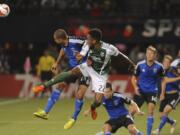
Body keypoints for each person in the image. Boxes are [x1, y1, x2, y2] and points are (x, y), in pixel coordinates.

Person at [33, 28, 135, 129]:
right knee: (70, 74)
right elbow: (80, 53)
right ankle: (44, 87)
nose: (86, 40)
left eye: (89, 39)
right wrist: (80, 56)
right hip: (86, 66)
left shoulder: (109, 48)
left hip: (99, 75)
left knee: (94, 100)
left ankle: (91, 108)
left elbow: (121, 56)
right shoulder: (87, 44)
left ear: (94, 41)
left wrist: (132, 64)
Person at [33, 29, 90, 130]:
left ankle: (73, 118)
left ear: (59, 39)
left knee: (80, 94)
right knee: (60, 85)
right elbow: (63, 50)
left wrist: (85, 55)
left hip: (85, 69)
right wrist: (57, 62)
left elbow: (89, 42)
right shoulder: (64, 43)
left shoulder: (76, 41)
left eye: (55, 39)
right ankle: (45, 112)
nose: (54, 41)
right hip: (72, 67)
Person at [131, 46, 165, 135]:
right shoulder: (140, 65)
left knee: (150, 112)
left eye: (151, 54)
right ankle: (133, 131)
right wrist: (135, 87)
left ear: (155, 55)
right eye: (147, 53)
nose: (148, 55)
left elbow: (163, 80)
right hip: (140, 91)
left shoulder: (159, 67)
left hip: (152, 91)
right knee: (131, 112)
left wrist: (162, 93)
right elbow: (133, 78)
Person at [152, 55, 180, 135]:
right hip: (166, 95)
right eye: (164, 62)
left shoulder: (173, 70)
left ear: (170, 63)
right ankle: (172, 122)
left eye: (167, 62)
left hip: (175, 95)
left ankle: (158, 130)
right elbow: (164, 81)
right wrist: (162, 94)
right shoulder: (162, 71)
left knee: (165, 111)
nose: (165, 63)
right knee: (161, 116)